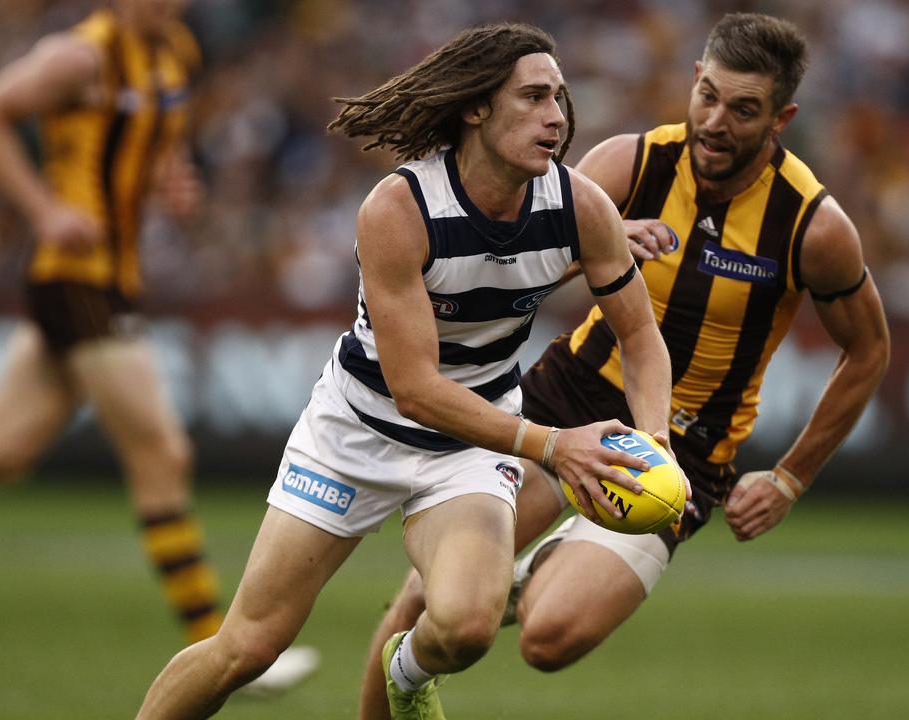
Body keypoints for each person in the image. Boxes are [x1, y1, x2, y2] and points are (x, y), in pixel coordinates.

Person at [135, 21, 675, 720]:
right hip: (354, 435)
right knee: (249, 646)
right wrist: (553, 444)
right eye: (535, 97)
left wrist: (655, 441)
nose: (557, 118)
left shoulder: (580, 207)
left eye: (561, 100)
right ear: (476, 107)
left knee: (468, 628)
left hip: (471, 447)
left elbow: (640, 337)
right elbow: (416, 391)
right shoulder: (399, 208)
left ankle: (407, 670)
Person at [359, 12, 890, 718]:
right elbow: (519, 253)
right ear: (694, 81)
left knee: (548, 638)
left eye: (744, 110)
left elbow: (870, 350)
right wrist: (589, 247)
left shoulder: (812, 226)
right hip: (565, 398)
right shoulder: (630, 164)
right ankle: (431, 647)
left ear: (781, 117)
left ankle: (509, 583)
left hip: (685, 448)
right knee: (420, 602)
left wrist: (791, 477)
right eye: (708, 96)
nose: (716, 121)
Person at [0, 0, 316, 695]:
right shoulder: (80, 56)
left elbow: (156, 144)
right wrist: (42, 208)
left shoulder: (175, 53)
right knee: (162, 452)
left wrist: (172, 175)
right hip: (76, 281)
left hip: (109, 280)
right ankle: (217, 649)